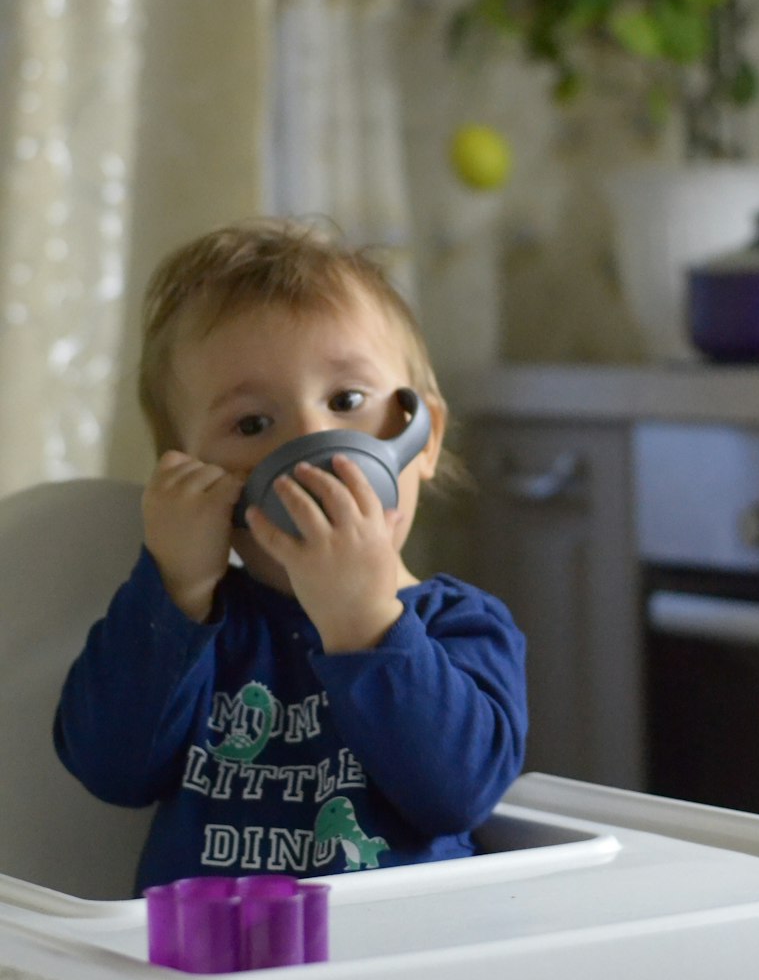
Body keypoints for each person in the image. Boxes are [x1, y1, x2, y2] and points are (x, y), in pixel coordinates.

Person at [54, 217, 529, 894]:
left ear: (421, 439)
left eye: (346, 400)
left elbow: (458, 794)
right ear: (191, 476)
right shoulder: (198, 627)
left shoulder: (464, 626)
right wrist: (175, 586)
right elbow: (110, 769)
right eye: (252, 424)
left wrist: (362, 618)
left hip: (400, 972)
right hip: (213, 977)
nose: (313, 443)